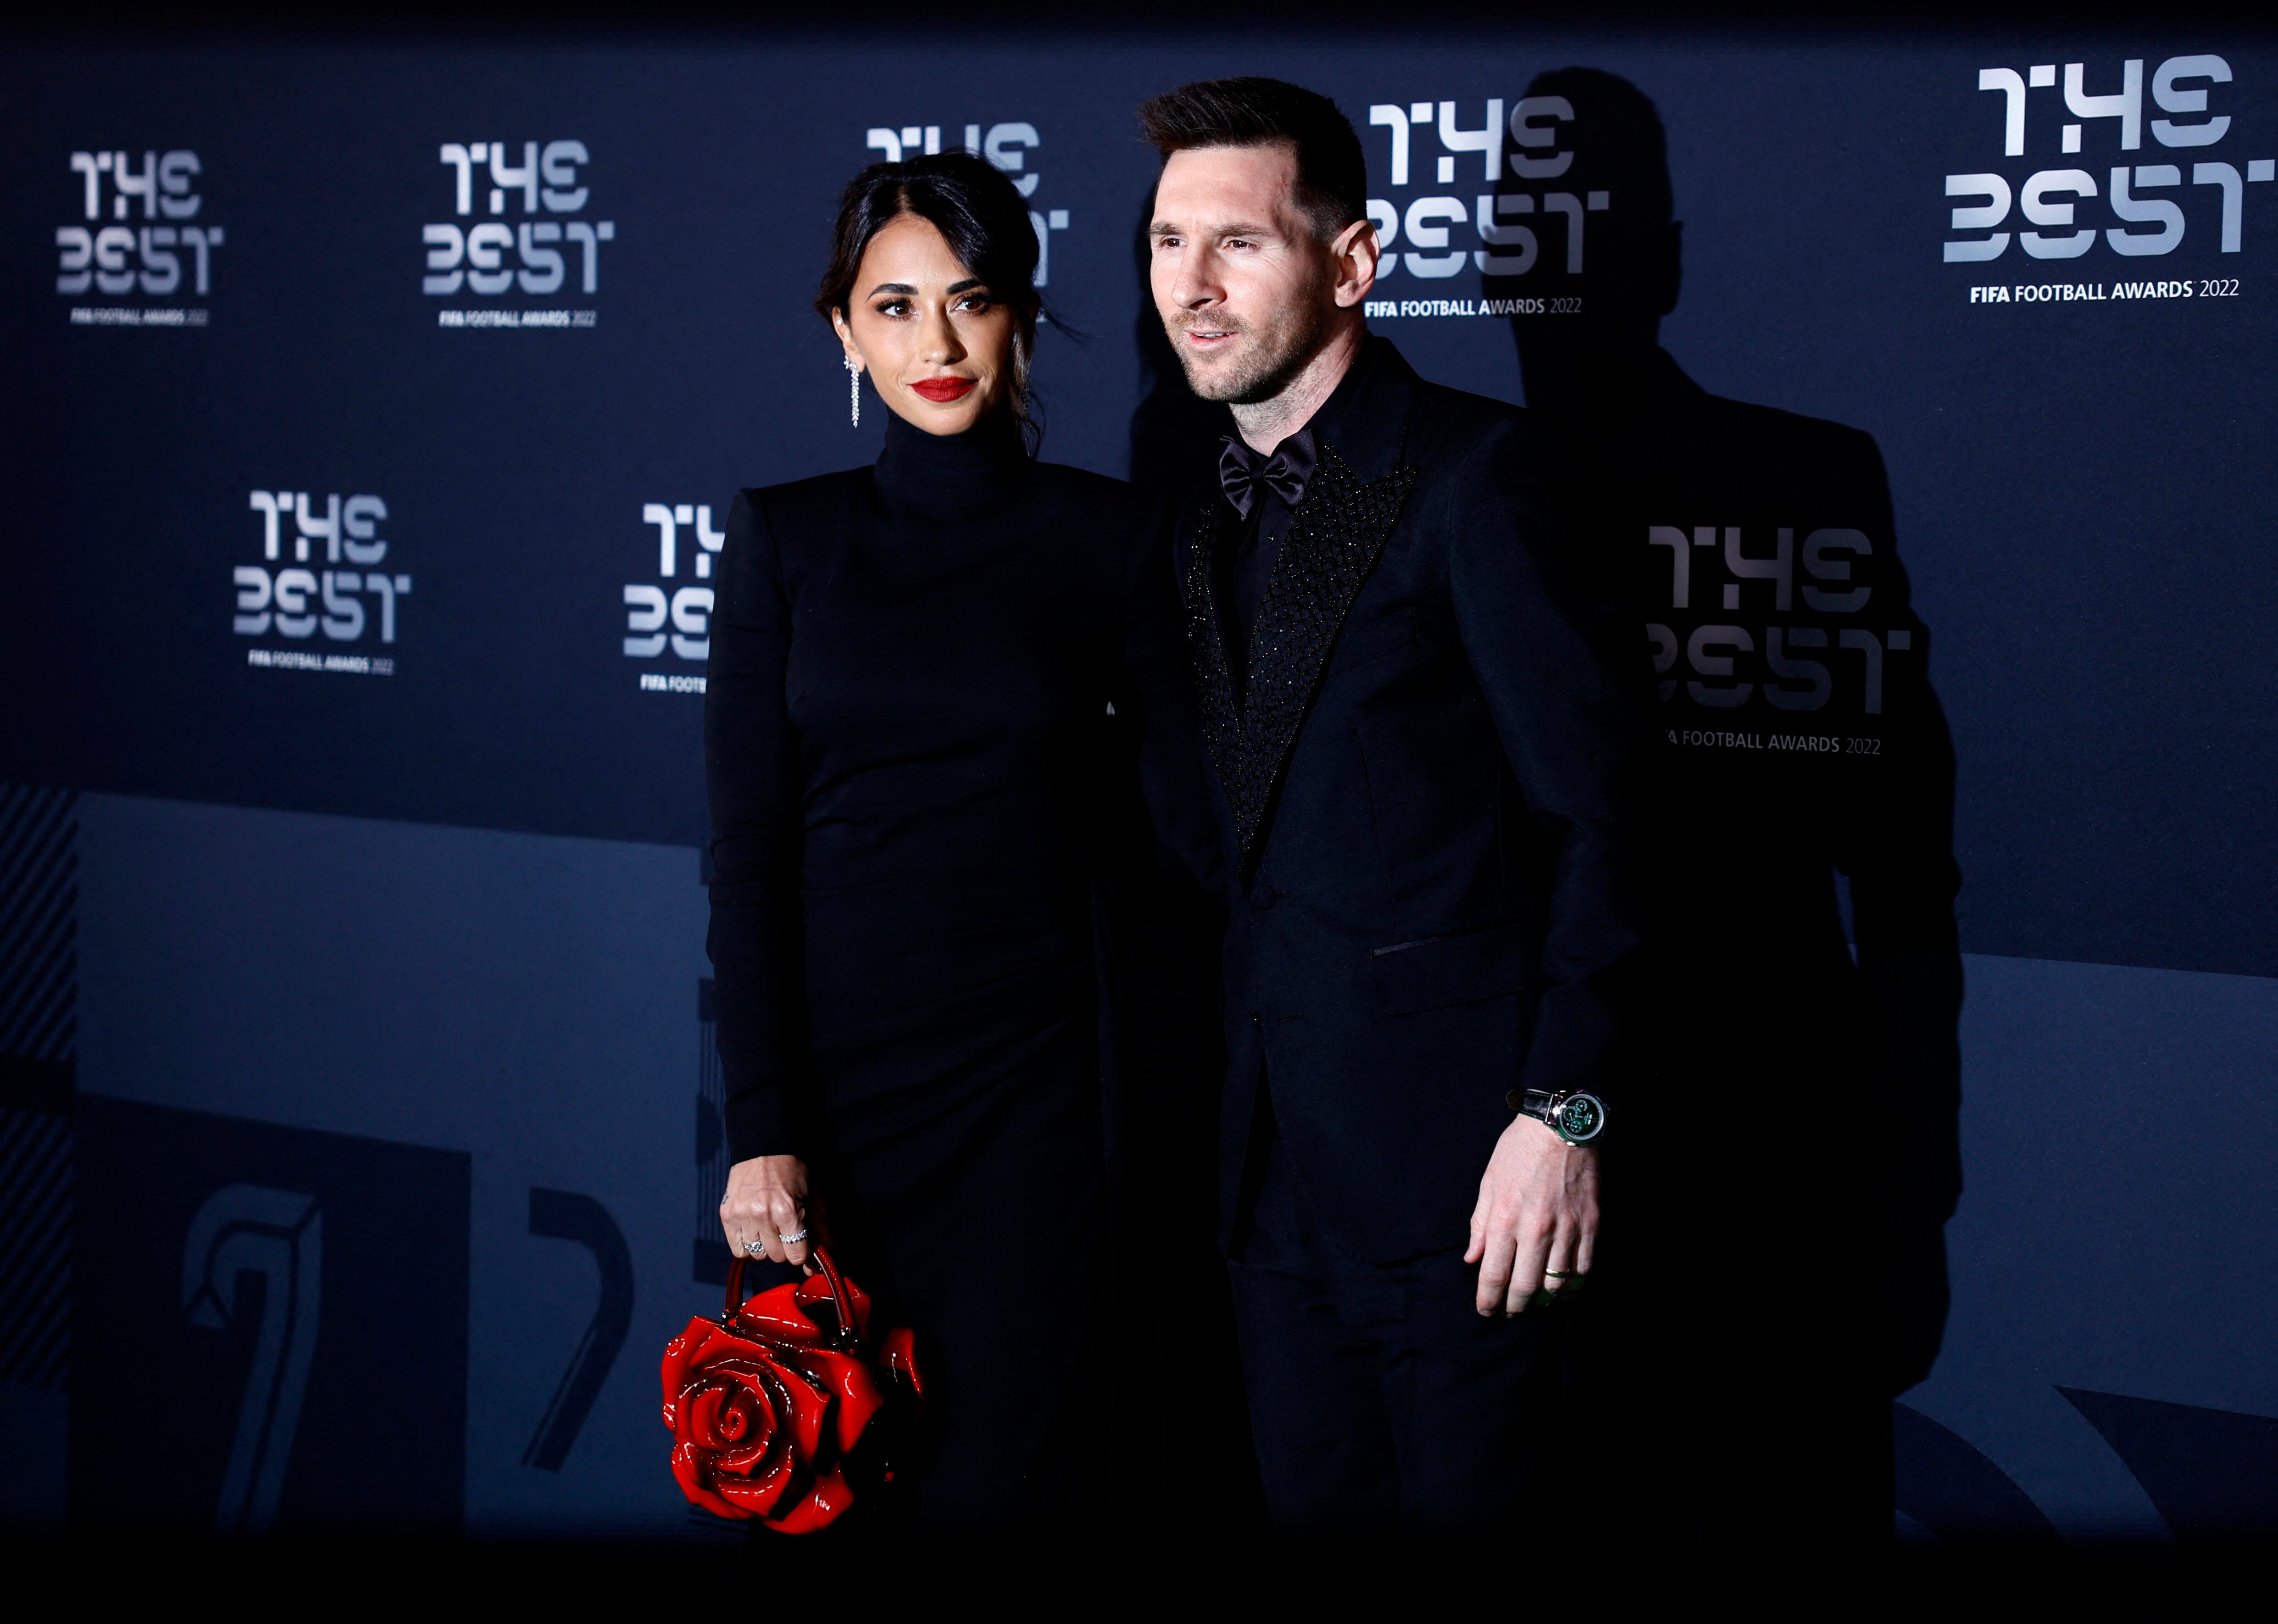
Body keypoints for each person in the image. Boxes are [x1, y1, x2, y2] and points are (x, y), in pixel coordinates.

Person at [1139, 76, 1651, 1529]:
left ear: (1351, 263)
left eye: (1235, 243)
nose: (1192, 286)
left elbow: (1610, 817)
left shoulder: (1478, 478)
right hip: (1268, 1195)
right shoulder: (1196, 515)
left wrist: (1567, 1112)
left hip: (1468, 1200)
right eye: (1168, 245)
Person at [703, 150, 1215, 1527]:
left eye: (970, 300)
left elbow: (1193, 832)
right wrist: (762, 1126)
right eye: (894, 305)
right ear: (844, 333)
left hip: (1037, 1103)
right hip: (835, 1108)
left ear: (1023, 321)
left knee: (1013, 1484)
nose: (934, 342)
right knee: (837, 1489)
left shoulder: (1111, 539)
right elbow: (746, 857)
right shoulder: (788, 539)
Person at [1496, 67, 1964, 1544]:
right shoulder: (1429, 488)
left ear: (1668, 262)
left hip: (1778, 1180)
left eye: (1586, 228)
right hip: (1499, 1195)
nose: (1553, 271)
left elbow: (1903, 874)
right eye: (1528, 231)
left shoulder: (1803, 476)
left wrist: (1910, 1188)